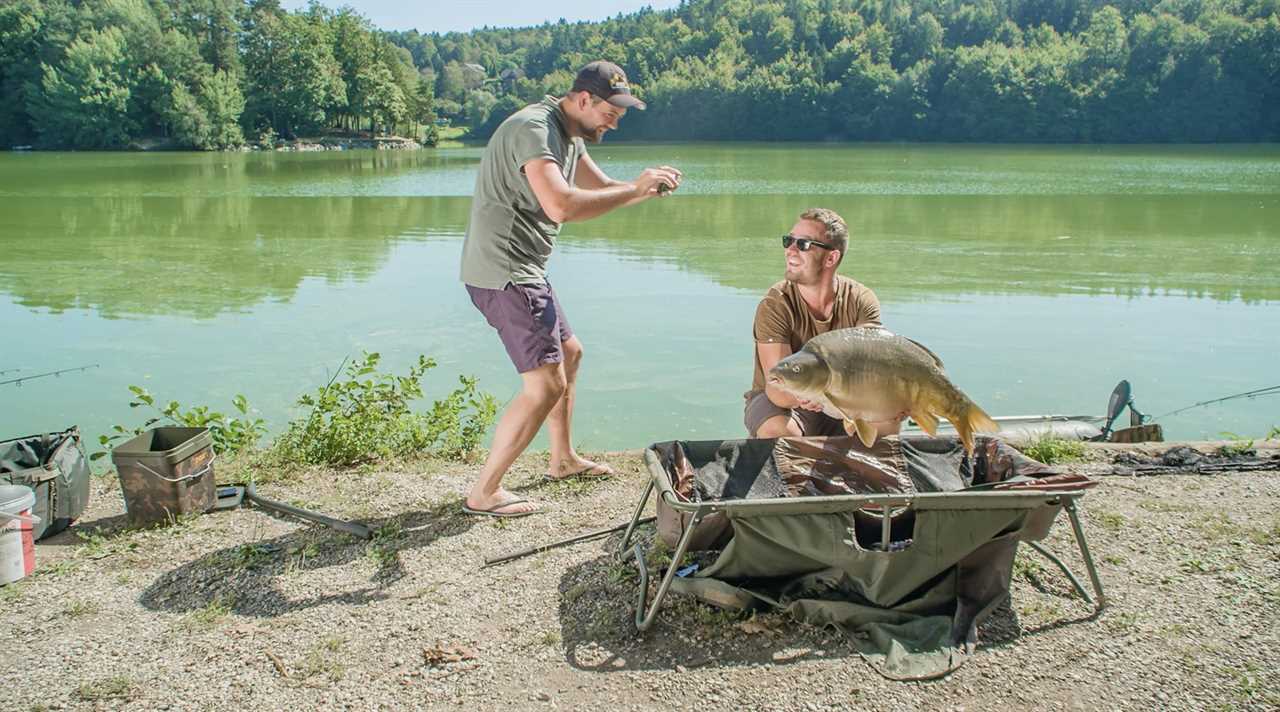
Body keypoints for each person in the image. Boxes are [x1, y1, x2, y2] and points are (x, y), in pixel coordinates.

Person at [459, 61, 682, 518]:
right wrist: (636, 190)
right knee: (544, 385)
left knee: (570, 353)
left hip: (523, 270)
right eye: (611, 110)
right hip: (506, 271)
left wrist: (644, 188)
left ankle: (561, 459)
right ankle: (484, 492)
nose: (616, 119)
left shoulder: (568, 134)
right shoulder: (535, 130)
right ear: (583, 99)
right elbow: (561, 204)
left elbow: (597, 187)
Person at [744, 208, 902, 439]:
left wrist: (892, 402)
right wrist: (811, 396)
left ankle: (861, 471)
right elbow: (776, 386)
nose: (790, 250)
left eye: (804, 244)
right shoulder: (775, 302)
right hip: (785, 402)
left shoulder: (861, 299)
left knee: (887, 424)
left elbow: (871, 372)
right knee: (777, 430)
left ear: (831, 258)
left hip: (846, 399)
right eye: (789, 241)